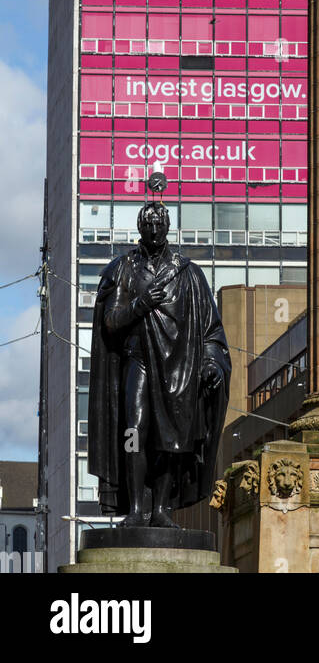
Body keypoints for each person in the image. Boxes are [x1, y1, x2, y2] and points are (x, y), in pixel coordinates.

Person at [88, 200, 230, 527]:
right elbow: (110, 321)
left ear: (167, 228)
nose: (153, 231)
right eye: (148, 226)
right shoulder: (123, 269)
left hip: (178, 369)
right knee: (133, 431)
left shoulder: (188, 274)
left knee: (171, 439)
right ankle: (137, 508)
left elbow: (211, 330)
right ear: (140, 228)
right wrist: (140, 304)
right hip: (137, 361)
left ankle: (162, 510)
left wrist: (210, 362)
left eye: (159, 226)